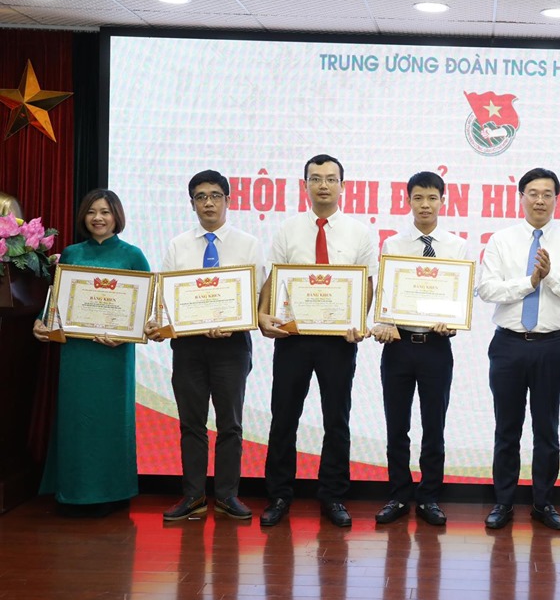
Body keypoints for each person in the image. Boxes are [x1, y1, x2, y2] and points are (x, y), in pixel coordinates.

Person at [257, 154, 377, 528]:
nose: (323, 185)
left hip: (338, 341)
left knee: (336, 419)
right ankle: (279, 495)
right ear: (305, 184)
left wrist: (359, 322)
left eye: (330, 178)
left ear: (343, 185)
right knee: (284, 417)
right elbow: (273, 278)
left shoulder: (359, 232)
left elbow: (367, 284)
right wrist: (262, 315)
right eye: (315, 178)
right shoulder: (288, 229)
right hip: (292, 338)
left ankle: (333, 495)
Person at [476, 167, 560, 531]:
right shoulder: (501, 240)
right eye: (533, 193)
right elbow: (487, 289)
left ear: (557, 198)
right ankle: (503, 503)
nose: (540, 200)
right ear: (521, 197)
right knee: (506, 429)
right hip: (508, 345)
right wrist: (530, 282)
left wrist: (550, 276)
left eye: (547, 194)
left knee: (547, 429)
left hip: (551, 346)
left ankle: (543, 503)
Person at [146, 170, 265, 521]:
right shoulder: (178, 245)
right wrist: (158, 323)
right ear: (192, 203)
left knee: (230, 425)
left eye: (215, 195)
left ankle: (227, 495)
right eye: (201, 197)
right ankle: (193, 495)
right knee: (191, 423)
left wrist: (234, 322)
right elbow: (167, 297)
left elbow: (257, 295)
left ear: (228, 200)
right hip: (188, 347)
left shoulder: (248, 244)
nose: (208, 203)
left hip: (232, 346)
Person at [33, 189, 150, 516]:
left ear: (117, 216)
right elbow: (56, 300)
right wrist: (41, 322)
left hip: (114, 355)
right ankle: (74, 492)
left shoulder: (133, 255)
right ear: (83, 216)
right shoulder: (71, 254)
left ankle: (114, 492)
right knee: (77, 421)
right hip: (77, 354)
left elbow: (146, 310)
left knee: (112, 421)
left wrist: (128, 334)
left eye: (105, 212)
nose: (98, 218)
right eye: (91, 212)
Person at [371, 171, 468, 527]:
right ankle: (399, 495)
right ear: (408, 200)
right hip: (398, 347)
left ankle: (429, 497)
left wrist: (453, 320)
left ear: (443, 201)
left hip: (436, 347)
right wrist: (383, 322)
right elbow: (385, 292)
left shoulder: (456, 246)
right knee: (397, 426)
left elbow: (461, 293)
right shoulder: (393, 245)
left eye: (432, 198)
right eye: (418, 198)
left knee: (434, 427)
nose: (425, 205)